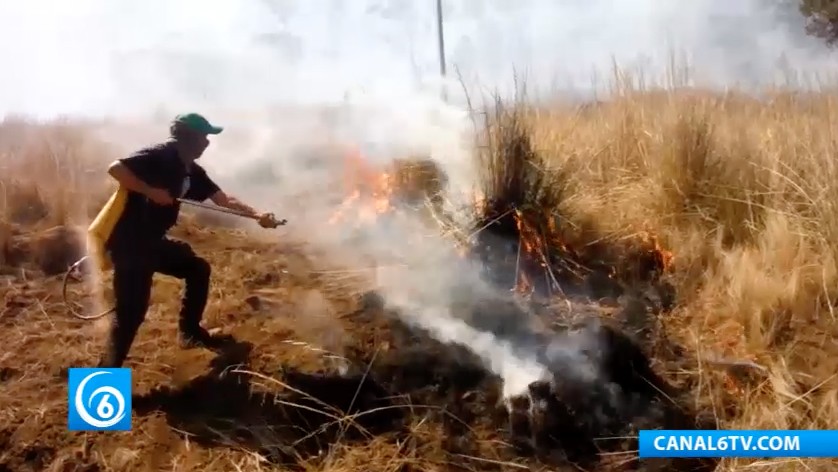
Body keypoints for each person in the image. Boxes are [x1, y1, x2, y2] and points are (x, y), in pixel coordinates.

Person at [96, 112, 277, 368]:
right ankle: (97, 396)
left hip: (152, 243)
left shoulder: (191, 171)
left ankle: (190, 333)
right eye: (204, 137)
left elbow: (224, 200)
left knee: (197, 268)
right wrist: (150, 191)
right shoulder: (160, 155)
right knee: (130, 315)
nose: (207, 143)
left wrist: (258, 215)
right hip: (130, 244)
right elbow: (116, 168)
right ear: (188, 138)